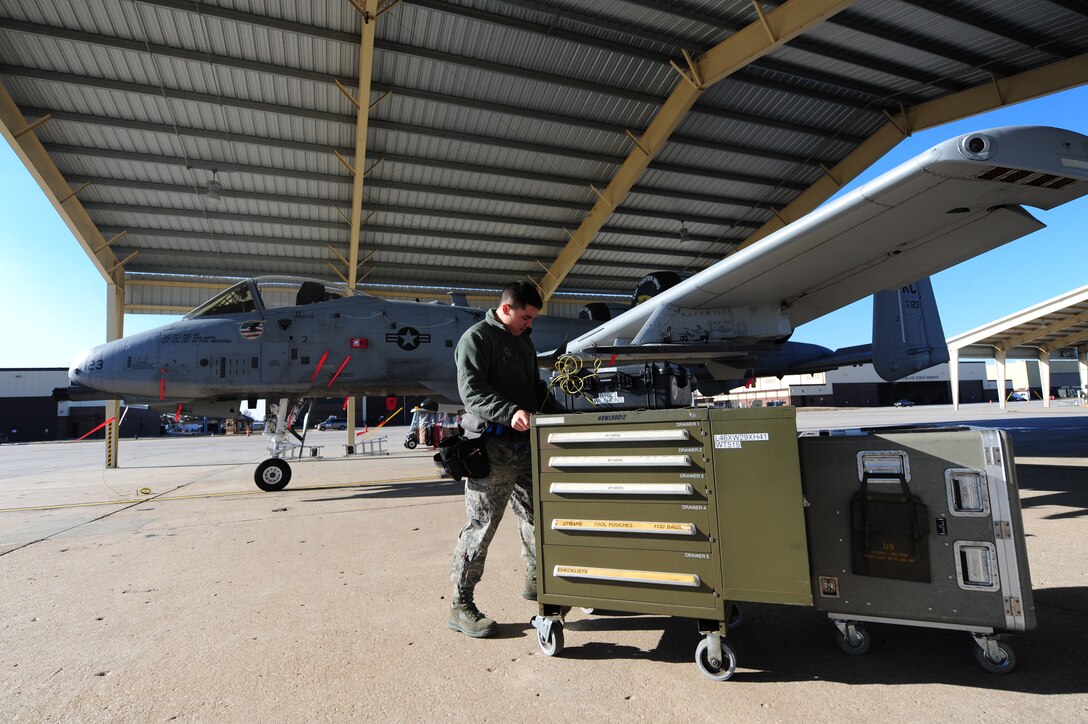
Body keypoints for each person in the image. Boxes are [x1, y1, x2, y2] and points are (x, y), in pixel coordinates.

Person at [447, 281, 551, 638]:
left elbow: (534, 388)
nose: (529, 324)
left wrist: (560, 408)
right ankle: (460, 604)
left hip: (526, 447)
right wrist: (510, 412)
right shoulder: (476, 339)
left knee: (538, 515)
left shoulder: (523, 341)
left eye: (533, 319)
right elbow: (473, 393)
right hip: (492, 451)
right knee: (481, 526)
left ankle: (538, 580)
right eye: (525, 317)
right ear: (506, 309)